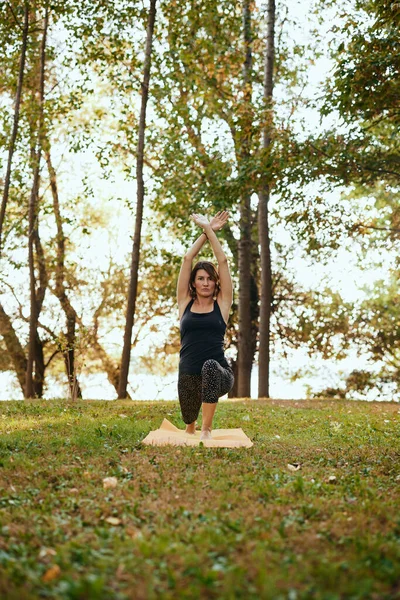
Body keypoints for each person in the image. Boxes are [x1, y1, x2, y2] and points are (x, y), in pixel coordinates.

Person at [177, 211, 234, 440]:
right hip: (188, 374)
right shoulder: (184, 303)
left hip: (219, 374)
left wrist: (211, 231)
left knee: (210, 366)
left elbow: (222, 261)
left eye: (210, 278)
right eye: (201, 278)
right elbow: (187, 259)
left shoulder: (222, 303)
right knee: (187, 422)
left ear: (215, 282)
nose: (206, 282)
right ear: (193, 282)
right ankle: (192, 426)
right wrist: (206, 230)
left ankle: (207, 429)